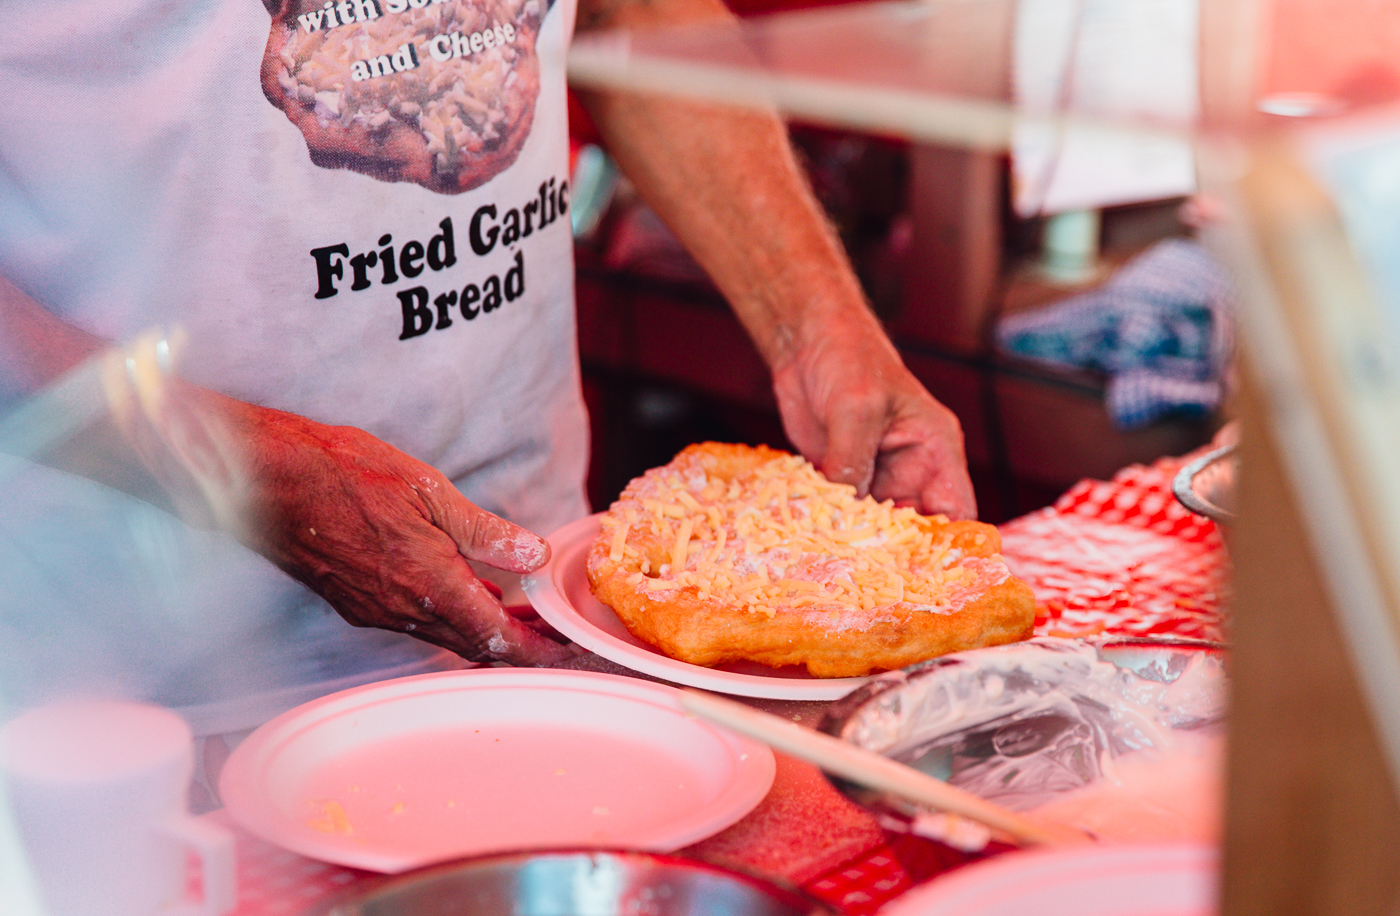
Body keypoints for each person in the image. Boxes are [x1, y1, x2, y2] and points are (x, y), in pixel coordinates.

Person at [0, 0, 974, 703]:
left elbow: (622, 13)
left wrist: (817, 323)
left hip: (549, 614)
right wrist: (253, 473)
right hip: (134, 697)